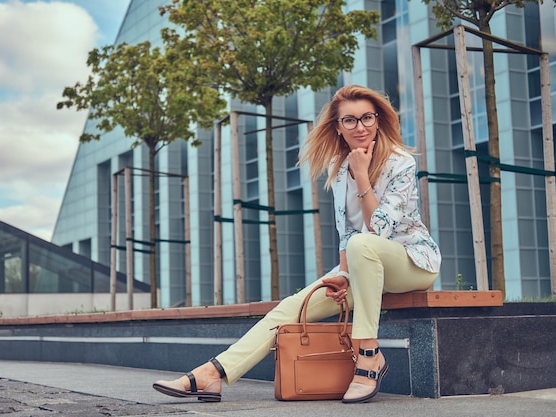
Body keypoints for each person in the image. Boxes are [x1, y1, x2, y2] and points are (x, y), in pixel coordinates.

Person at [152, 84, 441, 403]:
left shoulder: (400, 163)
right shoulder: (340, 168)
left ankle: (369, 354)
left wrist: (362, 176)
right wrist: (342, 277)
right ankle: (212, 374)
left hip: (411, 264)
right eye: (350, 120)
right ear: (338, 127)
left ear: (378, 120)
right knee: (290, 307)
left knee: (364, 243)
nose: (360, 127)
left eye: (367, 118)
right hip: (362, 265)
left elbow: (378, 229)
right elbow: (345, 233)